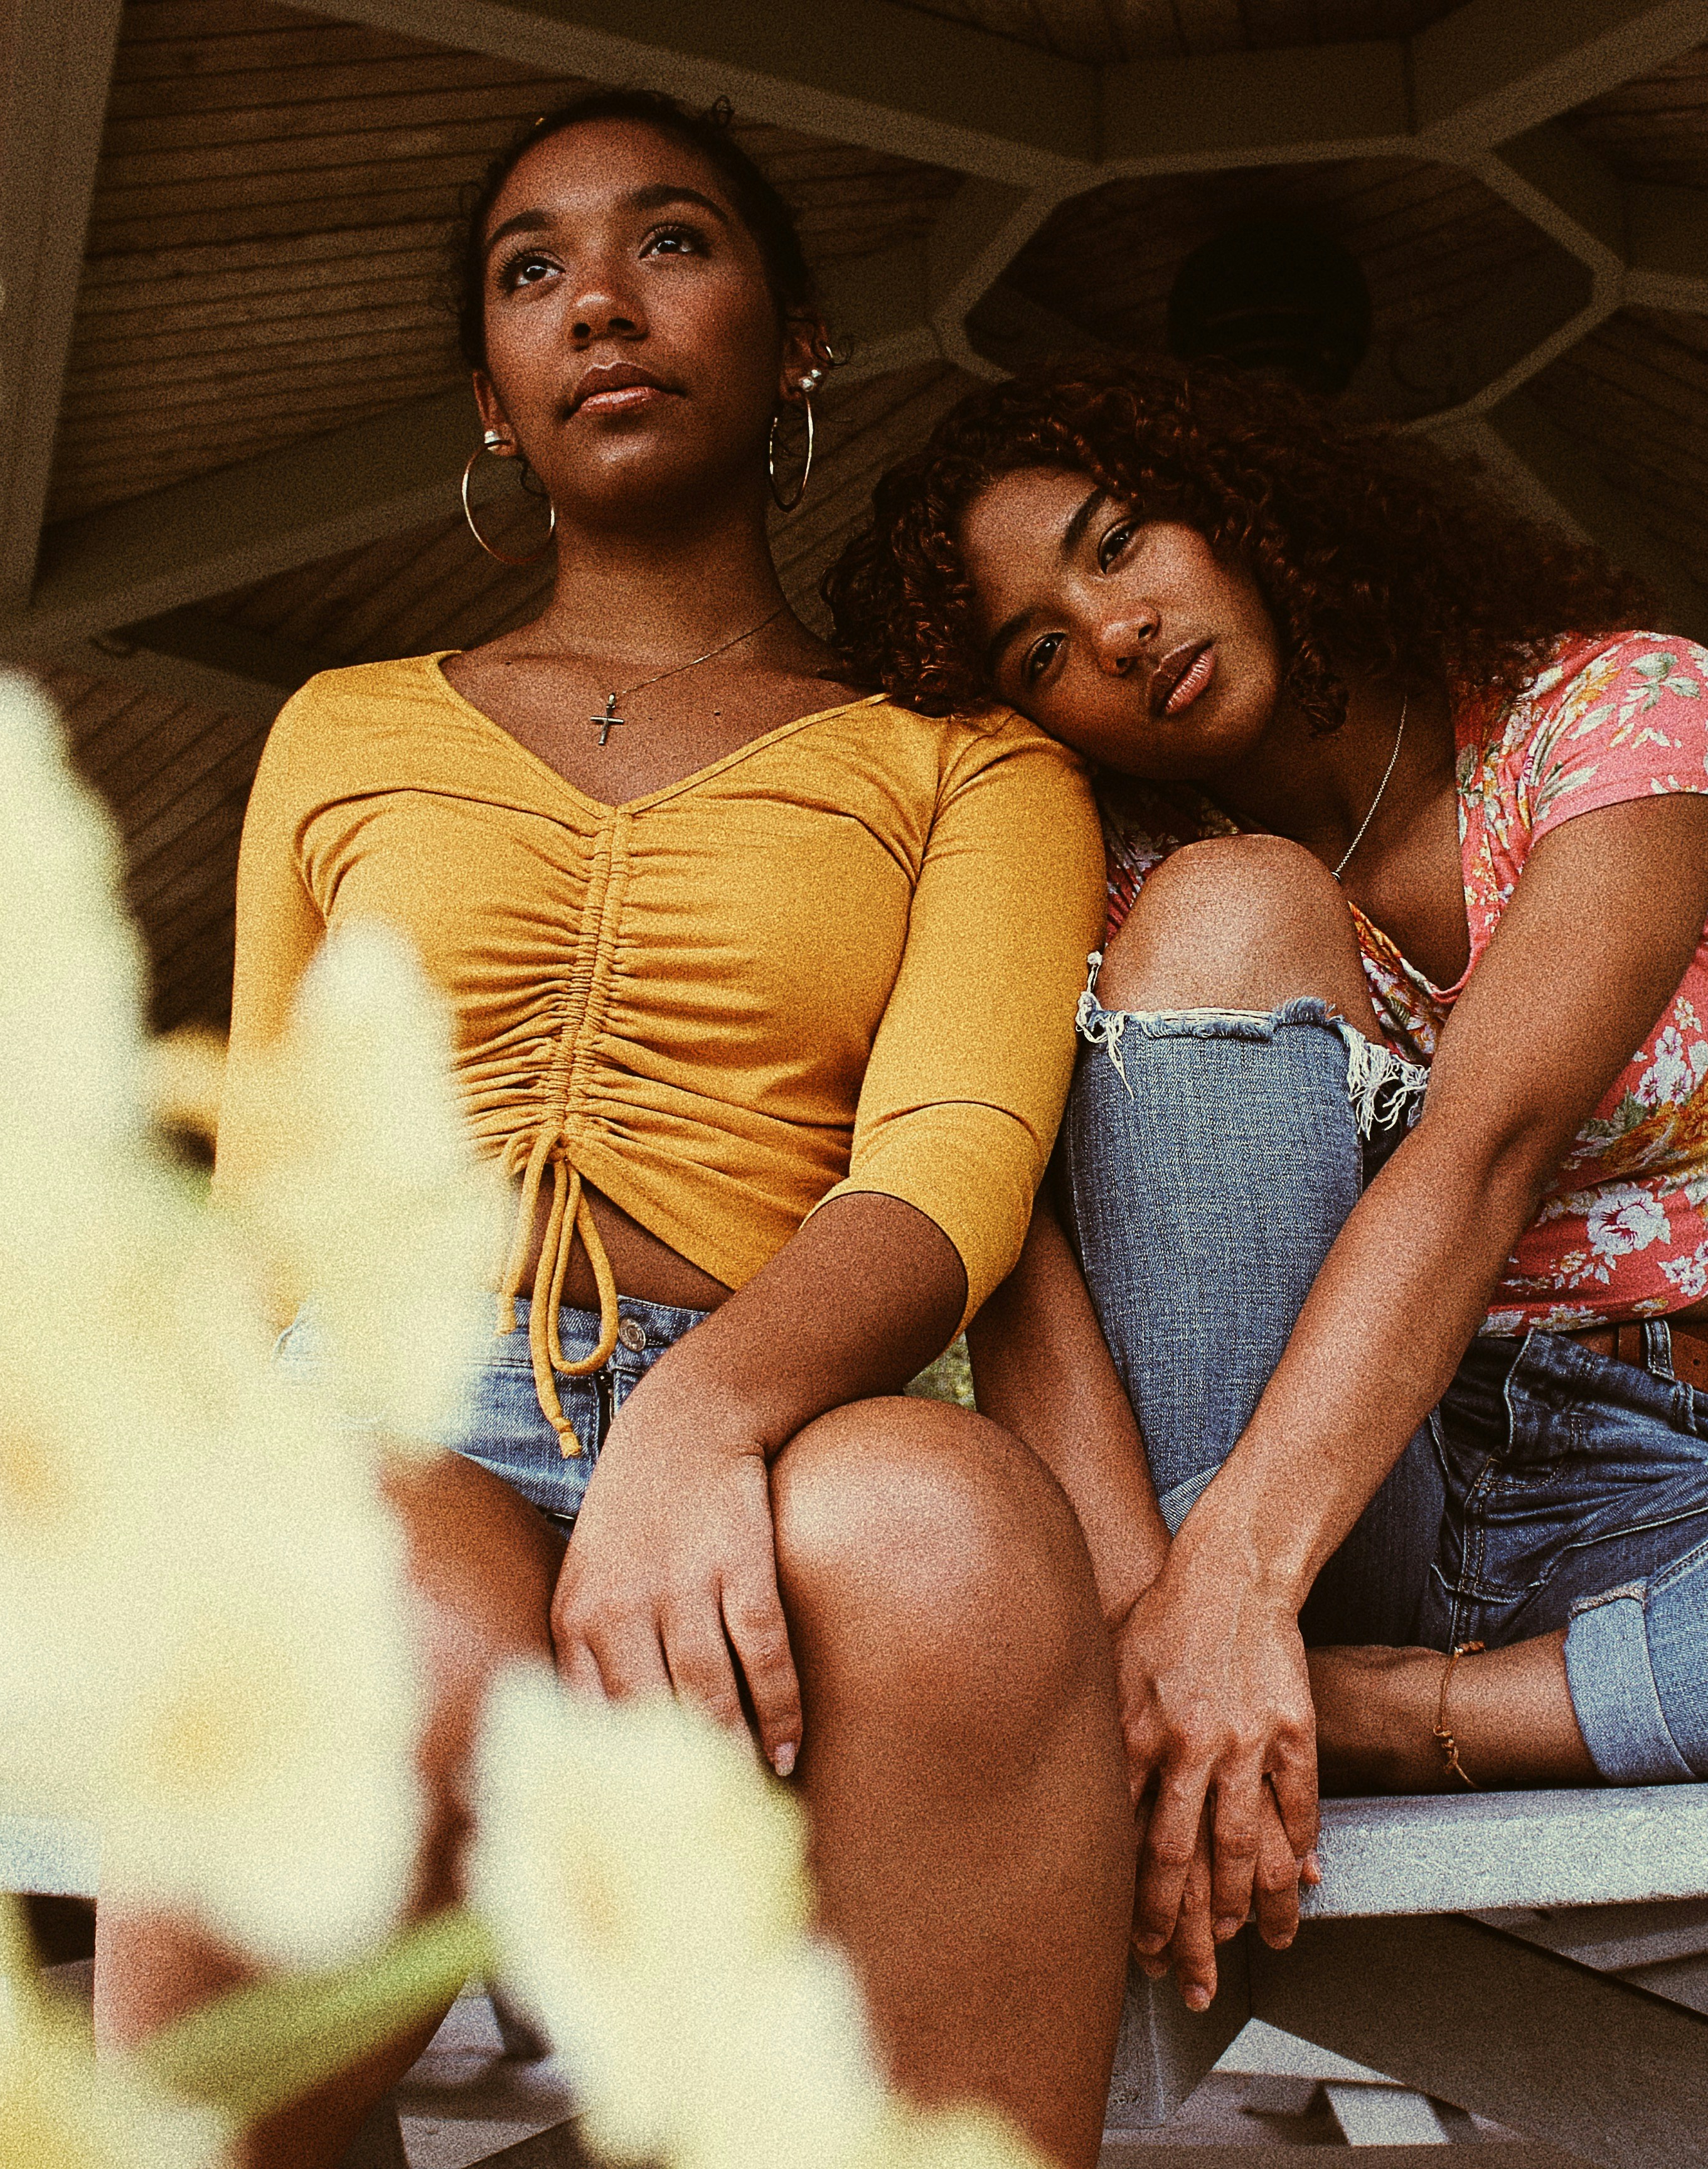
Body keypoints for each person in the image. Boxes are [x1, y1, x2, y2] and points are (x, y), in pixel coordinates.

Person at [826, 356, 1708, 2015]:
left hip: (1627, 1497)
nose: (1116, 631)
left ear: (1236, 510)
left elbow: (1482, 1159)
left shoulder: (1620, 713)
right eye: (1037, 650)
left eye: (1119, 541)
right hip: (1271, 1500)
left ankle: (1390, 1714)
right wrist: (1142, 1630)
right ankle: (1283, 1663)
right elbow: (1020, 1267)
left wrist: (1249, 1617)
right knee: (1238, 902)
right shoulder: (1112, 878)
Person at [101, 95, 1132, 2168]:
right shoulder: (340, 729)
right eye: (531, 270)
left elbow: (950, 1163)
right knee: (393, 1622)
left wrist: (701, 1421)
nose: (598, 301)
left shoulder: (969, 767)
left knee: (943, 1532)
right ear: (493, 395)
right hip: (380, 1408)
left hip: (777, 1420)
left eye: (670, 241)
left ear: (797, 340)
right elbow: (272, 1195)